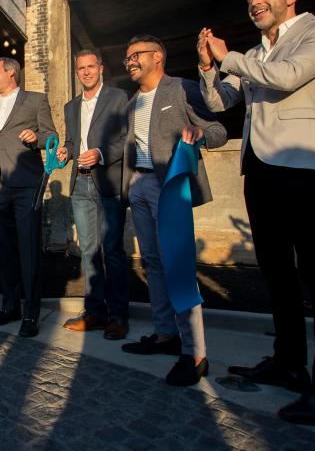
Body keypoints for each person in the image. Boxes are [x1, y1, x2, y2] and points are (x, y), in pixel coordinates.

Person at [198, 0, 315, 425]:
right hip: (260, 170)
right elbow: (221, 103)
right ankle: (289, 363)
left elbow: (288, 77)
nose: (254, 0)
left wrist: (231, 57)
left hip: (305, 167)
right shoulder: (254, 54)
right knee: (278, 275)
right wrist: (210, 68)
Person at [119, 35, 227, 386]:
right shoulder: (132, 102)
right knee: (151, 261)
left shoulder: (181, 88)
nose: (130, 61)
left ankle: (195, 353)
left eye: (136, 55)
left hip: (171, 187)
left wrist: (198, 132)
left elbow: (218, 130)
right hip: (141, 186)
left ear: (158, 57)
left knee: (177, 264)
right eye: (127, 58)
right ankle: (166, 334)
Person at [56, 50, 130, 340]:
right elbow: (73, 143)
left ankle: (118, 316)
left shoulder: (118, 98)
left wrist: (100, 154)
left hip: (108, 182)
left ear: (101, 68)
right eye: (81, 68)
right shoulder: (70, 106)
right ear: (76, 72)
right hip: (80, 185)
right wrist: (66, 151)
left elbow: (127, 138)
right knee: (87, 252)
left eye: (91, 66)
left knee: (112, 250)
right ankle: (95, 312)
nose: (86, 72)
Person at [0, 57, 57, 338]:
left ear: (11, 73)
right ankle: (9, 305)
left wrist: (35, 138)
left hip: (27, 184)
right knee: (4, 250)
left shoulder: (36, 100)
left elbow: (52, 136)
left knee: (28, 249)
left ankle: (31, 314)